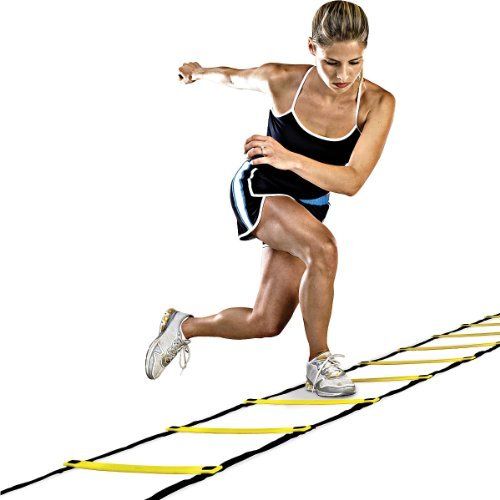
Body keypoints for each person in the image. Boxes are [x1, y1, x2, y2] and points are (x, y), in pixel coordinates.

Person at [145, 1, 395, 397]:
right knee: (324, 249)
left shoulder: (378, 103)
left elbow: (351, 181)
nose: (343, 75)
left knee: (265, 321)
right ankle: (321, 363)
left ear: (365, 50)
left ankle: (182, 325)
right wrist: (199, 72)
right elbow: (233, 78)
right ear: (312, 48)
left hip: (309, 207)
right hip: (260, 188)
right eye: (331, 62)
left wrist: (290, 157)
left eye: (354, 62)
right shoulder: (281, 79)